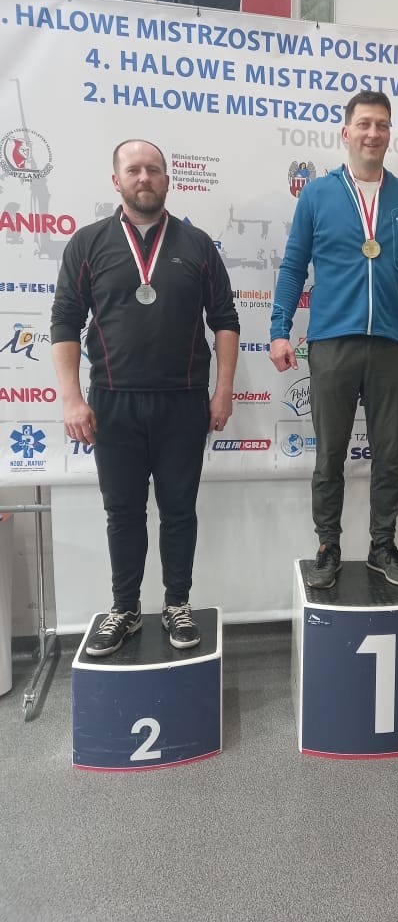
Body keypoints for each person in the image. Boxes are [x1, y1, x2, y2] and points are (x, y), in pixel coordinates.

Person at [50, 139, 240, 657]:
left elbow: (225, 320)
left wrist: (223, 391)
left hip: (184, 402)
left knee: (179, 511)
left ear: (167, 180)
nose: (144, 178)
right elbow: (64, 322)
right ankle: (125, 608)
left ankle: (177, 604)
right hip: (113, 404)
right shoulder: (87, 244)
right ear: (117, 180)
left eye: (154, 169)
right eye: (133, 170)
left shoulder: (197, 245)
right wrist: (71, 399)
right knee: (123, 512)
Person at [269, 91, 398, 589]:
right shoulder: (317, 195)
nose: (374, 133)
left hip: (390, 343)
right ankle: (328, 546)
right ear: (346, 132)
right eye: (365, 123)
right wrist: (279, 330)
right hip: (332, 343)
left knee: (388, 455)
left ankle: (382, 545)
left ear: (390, 134)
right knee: (329, 454)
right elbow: (293, 267)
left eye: (383, 125)